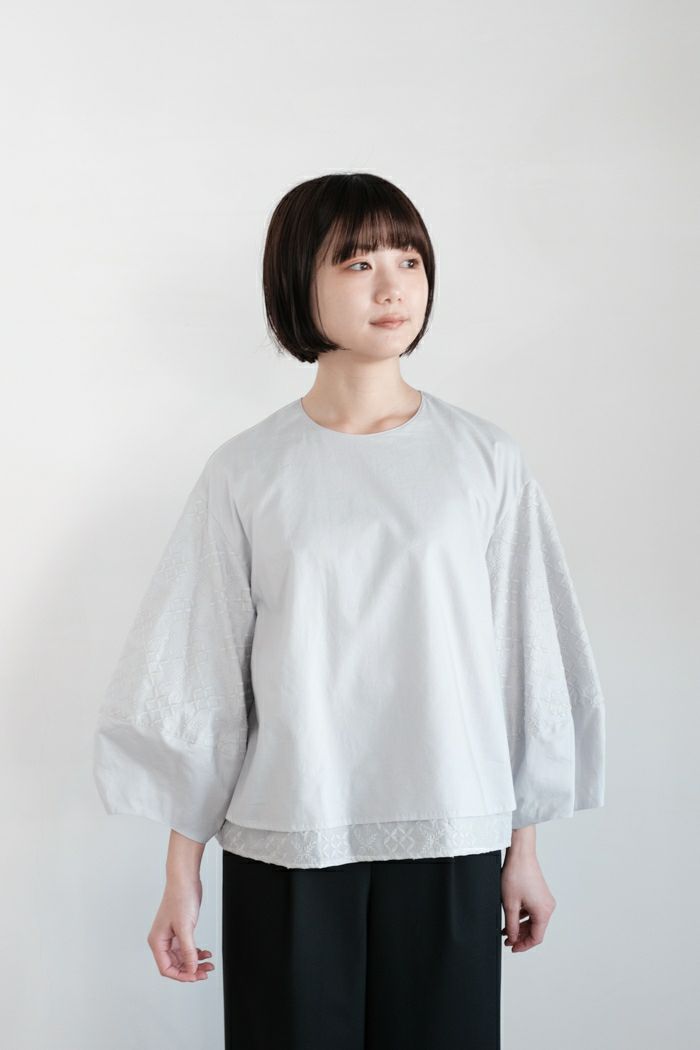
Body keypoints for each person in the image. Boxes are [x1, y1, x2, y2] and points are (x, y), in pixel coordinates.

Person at [93, 172, 606, 1049]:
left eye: (410, 260)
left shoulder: (484, 461)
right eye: (359, 263)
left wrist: (524, 849)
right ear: (299, 281)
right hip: (292, 833)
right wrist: (182, 874)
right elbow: (202, 673)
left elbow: (525, 660)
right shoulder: (248, 471)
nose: (392, 286)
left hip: (451, 829)